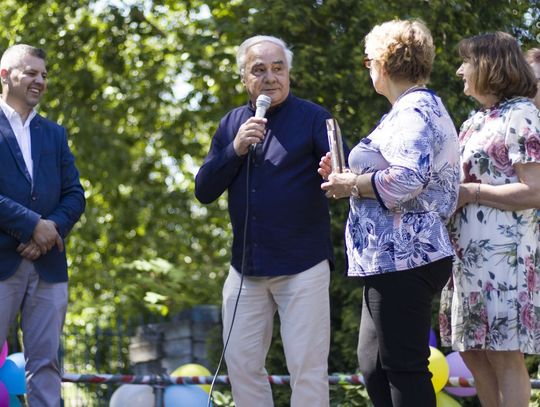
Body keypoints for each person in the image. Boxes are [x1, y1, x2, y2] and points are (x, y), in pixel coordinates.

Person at [319, 19, 459, 406]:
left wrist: (352, 183)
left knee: (403, 368)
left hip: (406, 255)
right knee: (375, 364)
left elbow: (409, 178)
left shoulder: (414, 110)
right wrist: (346, 174)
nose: (369, 69)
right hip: (392, 259)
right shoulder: (409, 109)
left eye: (369, 61)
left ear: (382, 63)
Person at [195, 35, 338, 407]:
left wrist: (334, 172)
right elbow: (204, 190)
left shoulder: (314, 118)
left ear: (288, 74)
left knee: (307, 370)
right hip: (246, 269)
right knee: (241, 367)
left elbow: (342, 171)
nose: (270, 77)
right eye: (259, 70)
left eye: (278, 68)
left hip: (302, 266)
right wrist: (235, 148)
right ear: (244, 77)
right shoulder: (232, 124)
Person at [439, 32, 540, 407]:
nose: (459, 70)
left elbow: (535, 190)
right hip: (466, 258)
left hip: (503, 259)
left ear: (488, 66)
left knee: (503, 352)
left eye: (466, 62)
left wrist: (472, 192)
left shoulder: (521, 114)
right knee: (471, 351)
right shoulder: (475, 120)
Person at [0, 44, 85, 406]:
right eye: (31, 72)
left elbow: (75, 195)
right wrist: (32, 224)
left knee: (47, 365)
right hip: (2, 260)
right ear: (5, 76)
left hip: (49, 264)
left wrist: (49, 230)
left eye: (44, 75)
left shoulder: (55, 133)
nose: (40, 80)